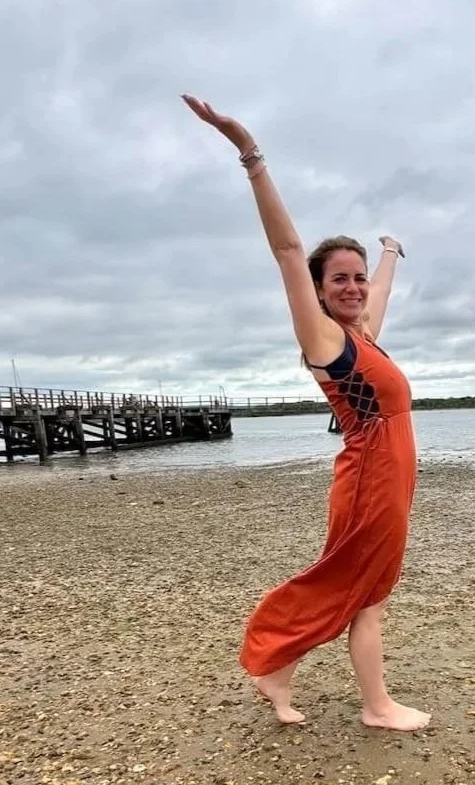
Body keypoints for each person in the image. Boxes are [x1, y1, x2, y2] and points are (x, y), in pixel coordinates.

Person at [181, 94, 430, 732]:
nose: (353, 287)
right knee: (364, 597)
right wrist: (249, 153)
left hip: (388, 483)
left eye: (357, 278)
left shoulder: (366, 334)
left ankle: (276, 673)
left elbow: (380, 293)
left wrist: (391, 254)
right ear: (319, 291)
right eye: (339, 280)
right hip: (370, 483)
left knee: (353, 589)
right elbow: (290, 250)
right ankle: (375, 706)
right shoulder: (327, 339)